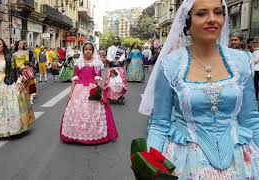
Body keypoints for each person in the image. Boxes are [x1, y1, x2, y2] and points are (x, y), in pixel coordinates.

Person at [139, 0, 259, 178]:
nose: (212, 19)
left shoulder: (241, 62)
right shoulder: (171, 65)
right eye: (202, 13)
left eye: (218, 13)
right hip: (185, 161)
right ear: (187, 21)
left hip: (241, 161)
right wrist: (149, 169)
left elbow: (251, 120)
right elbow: (159, 124)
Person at [60, 41, 118, 144]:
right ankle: (76, 135)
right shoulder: (78, 63)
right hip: (79, 90)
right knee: (77, 111)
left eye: (90, 49)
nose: (88, 51)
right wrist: (71, 93)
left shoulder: (96, 63)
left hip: (92, 90)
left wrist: (100, 93)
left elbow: (99, 80)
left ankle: (94, 134)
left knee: (93, 112)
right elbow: (74, 79)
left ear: (93, 51)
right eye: (86, 49)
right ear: (83, 51)